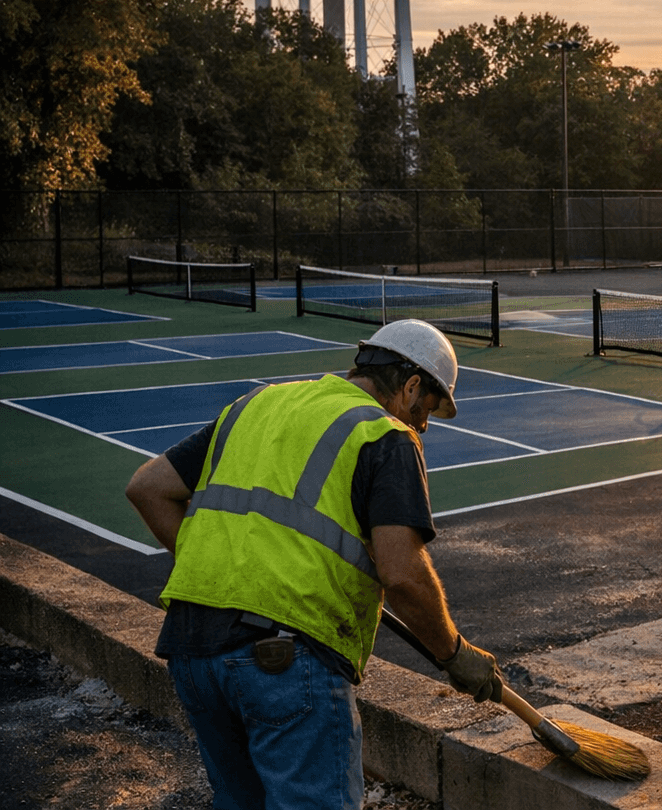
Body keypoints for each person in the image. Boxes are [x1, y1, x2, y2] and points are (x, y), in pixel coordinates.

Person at [125, 319, 499, 810]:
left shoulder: (256, 404)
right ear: (410, 386)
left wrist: (232, 572)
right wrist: (454, 654)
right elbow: (403, 575)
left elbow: (148, 488)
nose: (423, 424)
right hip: (281, 661)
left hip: (192, 650)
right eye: (427, 407)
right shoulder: (384, 435)